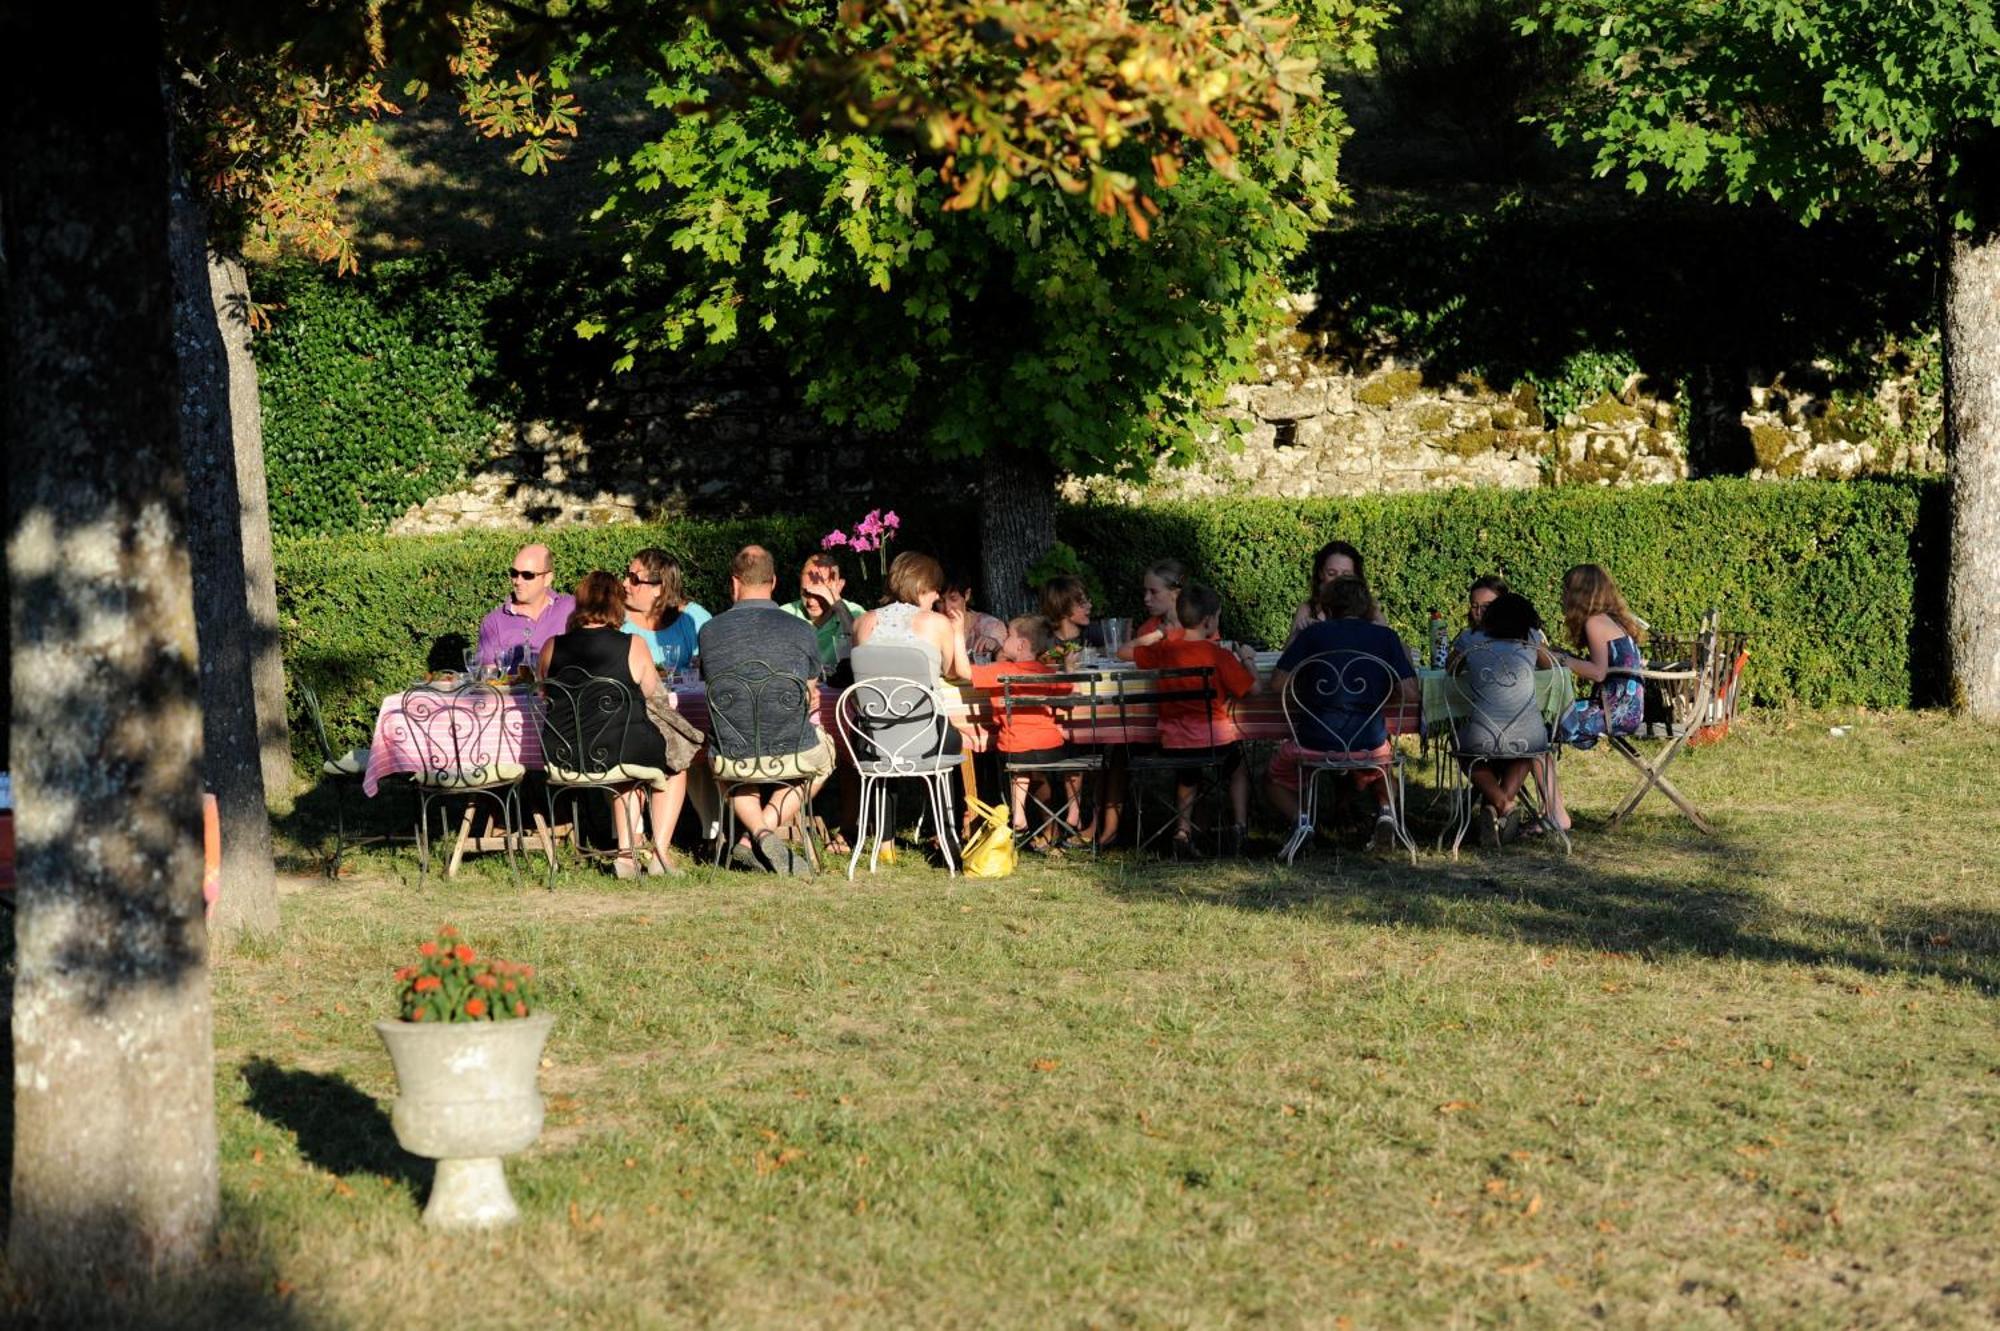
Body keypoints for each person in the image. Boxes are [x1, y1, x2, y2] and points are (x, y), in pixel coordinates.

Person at [537, 572, 685, 878]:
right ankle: (659, 854)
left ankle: (626, 856)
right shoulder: (633, 644)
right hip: (616, 750)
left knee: (625, 770)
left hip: (564, 755)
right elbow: (650, 694)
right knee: (677, 763)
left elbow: (544, 692)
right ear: (617, 605)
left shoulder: (551, 646)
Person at [699, 545, 837, 875]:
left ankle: (754, 836)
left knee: (724, 764)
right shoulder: (802, 629)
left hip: (733, 756)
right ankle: (761, 834)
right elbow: (810, 686)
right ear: (773, 581)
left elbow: (711, 681)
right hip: (791, 750)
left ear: (734, 583)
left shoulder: (709, 632)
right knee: (826, 758)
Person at [1268, 575, 1417, 852]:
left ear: (1327, 607)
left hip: (1315, 740)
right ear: (1368, 608)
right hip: (1368, 743)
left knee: (1273, 777)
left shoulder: (1313, 634)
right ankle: (1386, 814)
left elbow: (1277, 683)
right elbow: (1411, 693)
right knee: (1382, 763)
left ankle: (1303, 823)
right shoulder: (1385, 637)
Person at [1133, 584, 1258, 857]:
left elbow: (1131, 654)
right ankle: (1239, 827)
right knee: (1236, 766)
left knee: (1187, 770)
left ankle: (1182, 830)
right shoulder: (1219, 655)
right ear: (1209, 620)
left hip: (1172, 741)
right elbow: (1252, 690)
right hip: (1212, 742)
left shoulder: (1164, 650)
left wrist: (1159, 635)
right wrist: (1247, 659)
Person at [1447, 590, 1556, 847]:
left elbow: (1450, 669)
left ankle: (1501, 804)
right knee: (1531, 748)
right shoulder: (1529, 638)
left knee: (1461, 747)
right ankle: (1503, 805)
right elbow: (1548, 666)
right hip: (1528, 736)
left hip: (1481, 735)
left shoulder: (1470, 638)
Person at [1544, 563, 1647, 830]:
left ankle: (1552, 813)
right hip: (1626, 707)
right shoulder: (1611, 621)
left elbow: (1598, 673)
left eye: (1566, 591)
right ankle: (1549, 810)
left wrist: (1562, 660)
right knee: (1537, 725)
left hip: (1615, 712)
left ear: (1579, 593)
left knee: (1533, 728)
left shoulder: (1594, 622)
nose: (1563, 599)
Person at [969, 616, 1078, 841]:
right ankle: (1067, 814)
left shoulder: (1000, 671)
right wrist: (1068, 666)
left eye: (1008, 635)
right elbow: (1067, 688)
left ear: (1021, 645)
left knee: (1020, 765)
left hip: (1014, 746)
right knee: (1028, 763)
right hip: (1051, 748)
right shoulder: (1046, 673)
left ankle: (1018, 814)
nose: (1004, 639)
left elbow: (965, 673)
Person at [852, 552, 975, 686]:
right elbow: (952, 673)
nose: (936, 597)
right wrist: (957, 632)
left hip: (871, 706)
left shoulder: (861, 621)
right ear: (921, 587)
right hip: (924, 706)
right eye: (935, 589)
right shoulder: (937, 623)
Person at [478, 543, 575, 673]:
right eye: (514, 573)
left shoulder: (571, 608)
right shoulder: (494, 622)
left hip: (563, 691)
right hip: (515, 692)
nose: (518, 581)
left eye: (527, 575)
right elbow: (489, 680)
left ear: (547, 578)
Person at [780, 552, 868, 673]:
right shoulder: (784, 615)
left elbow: (865, 655)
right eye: (806, 593)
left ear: (839, 587)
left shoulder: (856, 614)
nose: (811, 602)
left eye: (819, 594)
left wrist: (839, 606)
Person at [1287, 539, 1390, 640]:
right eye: (1331, 574)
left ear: (1356, 577)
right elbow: (1288, 655)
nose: (1339, 581)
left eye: (1346, 575)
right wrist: (1298, 634)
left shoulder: (1371, 611)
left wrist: (1383, 633)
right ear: (1321, 574)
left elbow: (1398, 651)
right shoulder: (1308, 610)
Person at [621, 548, 702, 673]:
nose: (624, 583)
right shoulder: (616, 618)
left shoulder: (693, 619)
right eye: (627, 575)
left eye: (634, 579)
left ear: (659, 588)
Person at [1118, 558, 1190, 660]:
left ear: (1175, 593)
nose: (1146, 598)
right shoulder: (1148, 629)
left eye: (1153, 592)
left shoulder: (1200, 626)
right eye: (1145, 591)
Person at [941, 569, 1006, 662]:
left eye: (953, 599)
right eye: (940, 601)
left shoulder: (990, 626)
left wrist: (996, 646)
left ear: (967, 595)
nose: (947, 608)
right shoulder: (931, 626)